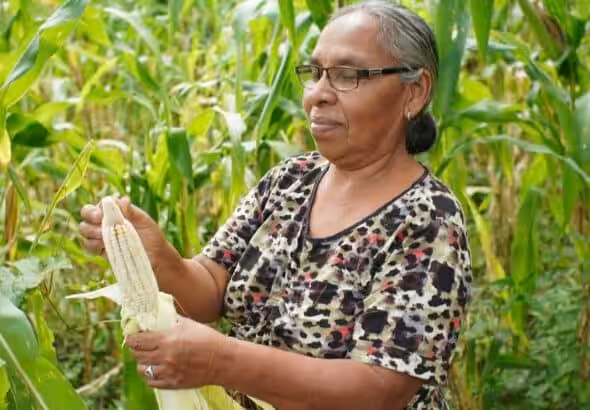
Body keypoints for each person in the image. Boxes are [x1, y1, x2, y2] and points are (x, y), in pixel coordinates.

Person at [80, 1, 472, 409]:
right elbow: (211, 289)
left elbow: (378, 389)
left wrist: (220, 360)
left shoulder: (428, 219)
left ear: (414, 92)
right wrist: (157, 259)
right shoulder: (291, 180)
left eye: (346, 76)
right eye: (315, 73)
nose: (318, 95)